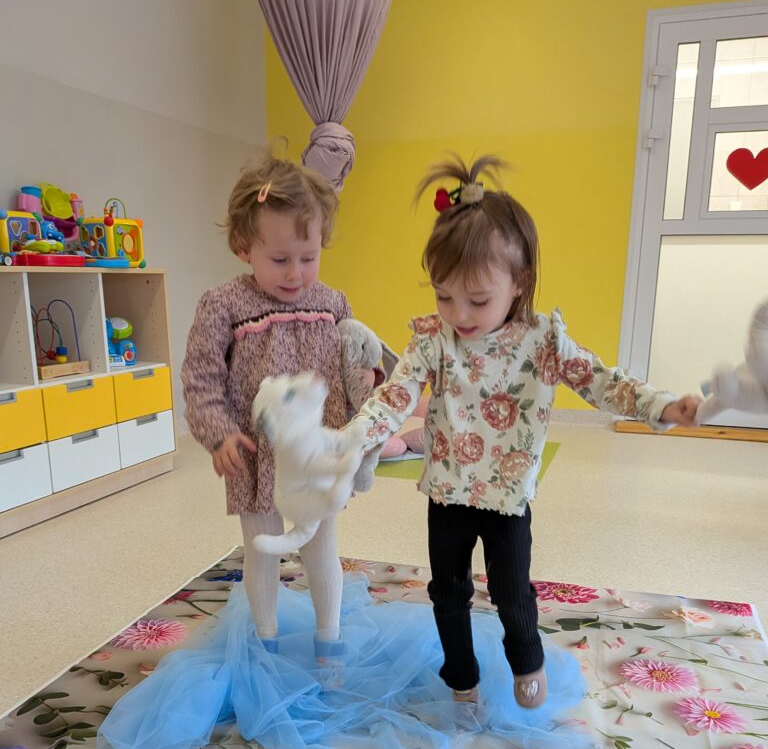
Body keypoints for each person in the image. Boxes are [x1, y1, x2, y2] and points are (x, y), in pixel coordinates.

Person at [349, 154, 701, 709]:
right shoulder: (433, 339)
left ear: (520, 282)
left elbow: (601, 381)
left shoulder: (542, 341)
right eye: (443, 295)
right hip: (447, 491)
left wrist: (661, 406)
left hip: (508, 496)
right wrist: (354, 436)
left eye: (478, 300)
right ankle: (460, 676)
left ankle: (526, 659)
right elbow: (396, 395)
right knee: (447, 591)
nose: (459, 314)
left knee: (512, 590)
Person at [181, 149, 367, 661]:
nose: (295, 273)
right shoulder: (224, 304)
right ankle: (265, 641)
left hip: (314, 453)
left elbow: (355, 369)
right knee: (261, 549)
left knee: (320, 545)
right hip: (253, 453)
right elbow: (201, 375)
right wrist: (218, 433)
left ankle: (329, 640)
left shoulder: (333, 304)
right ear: (244, 246)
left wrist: (362, 423)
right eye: (280, 260)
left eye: (308, 258)